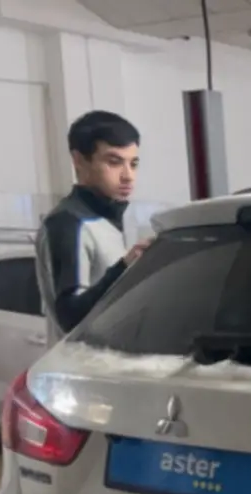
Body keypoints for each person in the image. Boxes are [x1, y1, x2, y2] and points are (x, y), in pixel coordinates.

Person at [35, 110, 150, 345]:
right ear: (79, 160)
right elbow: (70, 317)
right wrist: (124, 268)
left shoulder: (111, 221)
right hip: (82, 364)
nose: (128, 176)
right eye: (114, 162)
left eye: (134, 164)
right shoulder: (68, 223)